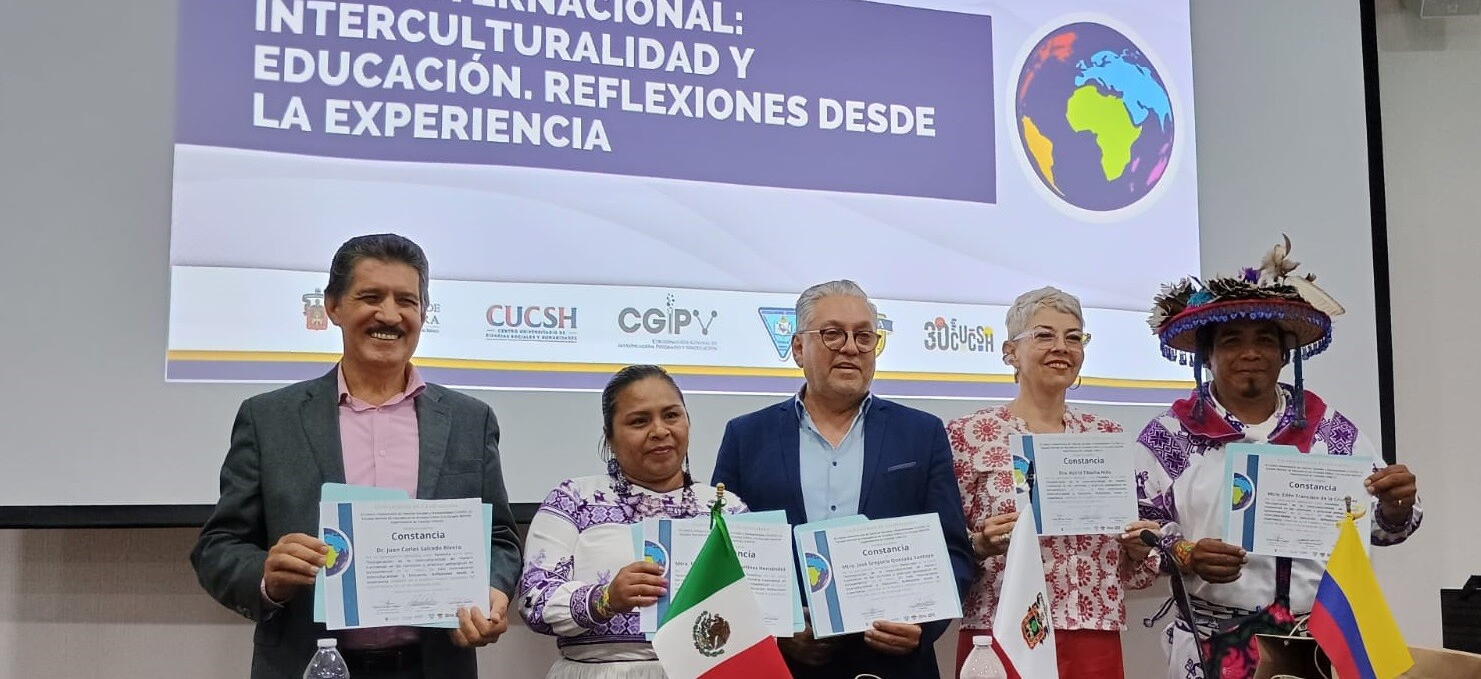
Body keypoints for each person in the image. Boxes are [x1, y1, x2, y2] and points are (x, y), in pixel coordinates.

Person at [191, 233, 522, 679]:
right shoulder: (269, 419)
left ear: (424, 313)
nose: (389, 314)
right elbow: (218, 546)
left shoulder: (470, 420)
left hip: (434, 665)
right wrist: (267, 578)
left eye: (406, 300)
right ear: (333, 306)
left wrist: (494, 591)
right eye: (370, 297)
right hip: (308, 664)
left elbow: (500, 538)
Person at [1134, 237, 1422, 679]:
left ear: (1285, 355)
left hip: (1317, 643)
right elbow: (1137, 535)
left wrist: (1395, 504)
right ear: (1207, 356)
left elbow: (1381, 528)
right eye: (1231, 341)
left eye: (1264, 341)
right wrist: (1186, 553)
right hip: (1210, 644)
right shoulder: (1169, 436)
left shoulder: (1330, 432)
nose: (1250, 353)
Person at [713, 279, 975, 679]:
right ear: (798, 348)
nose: (851, 347)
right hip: (782, 665)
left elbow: (953, 550)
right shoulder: (746, 436)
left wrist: (923, 627)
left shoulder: (922, 433)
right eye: (833, 333)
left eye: (864, 336)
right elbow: (722, 556)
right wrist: (775, 632)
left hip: (893, 666)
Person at [947, 286, 1162, 679]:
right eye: (1044, 335)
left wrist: (1136, 548)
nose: (1061, 347)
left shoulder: (1105, 436)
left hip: (1092, 631)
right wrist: (979, 543)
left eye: (1073, 337)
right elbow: (943, 543)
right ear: (1010, 352)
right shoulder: (969, 435)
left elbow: (1130, 567)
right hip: (1000, 628)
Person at [517, 365, 746, 678]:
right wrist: (606, 598)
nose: (660, 431)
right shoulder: (573, 500)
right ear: (609, 437)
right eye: (639, 421)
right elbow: (534, 600)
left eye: (671, 415)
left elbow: (760, 606)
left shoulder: (727, 509)